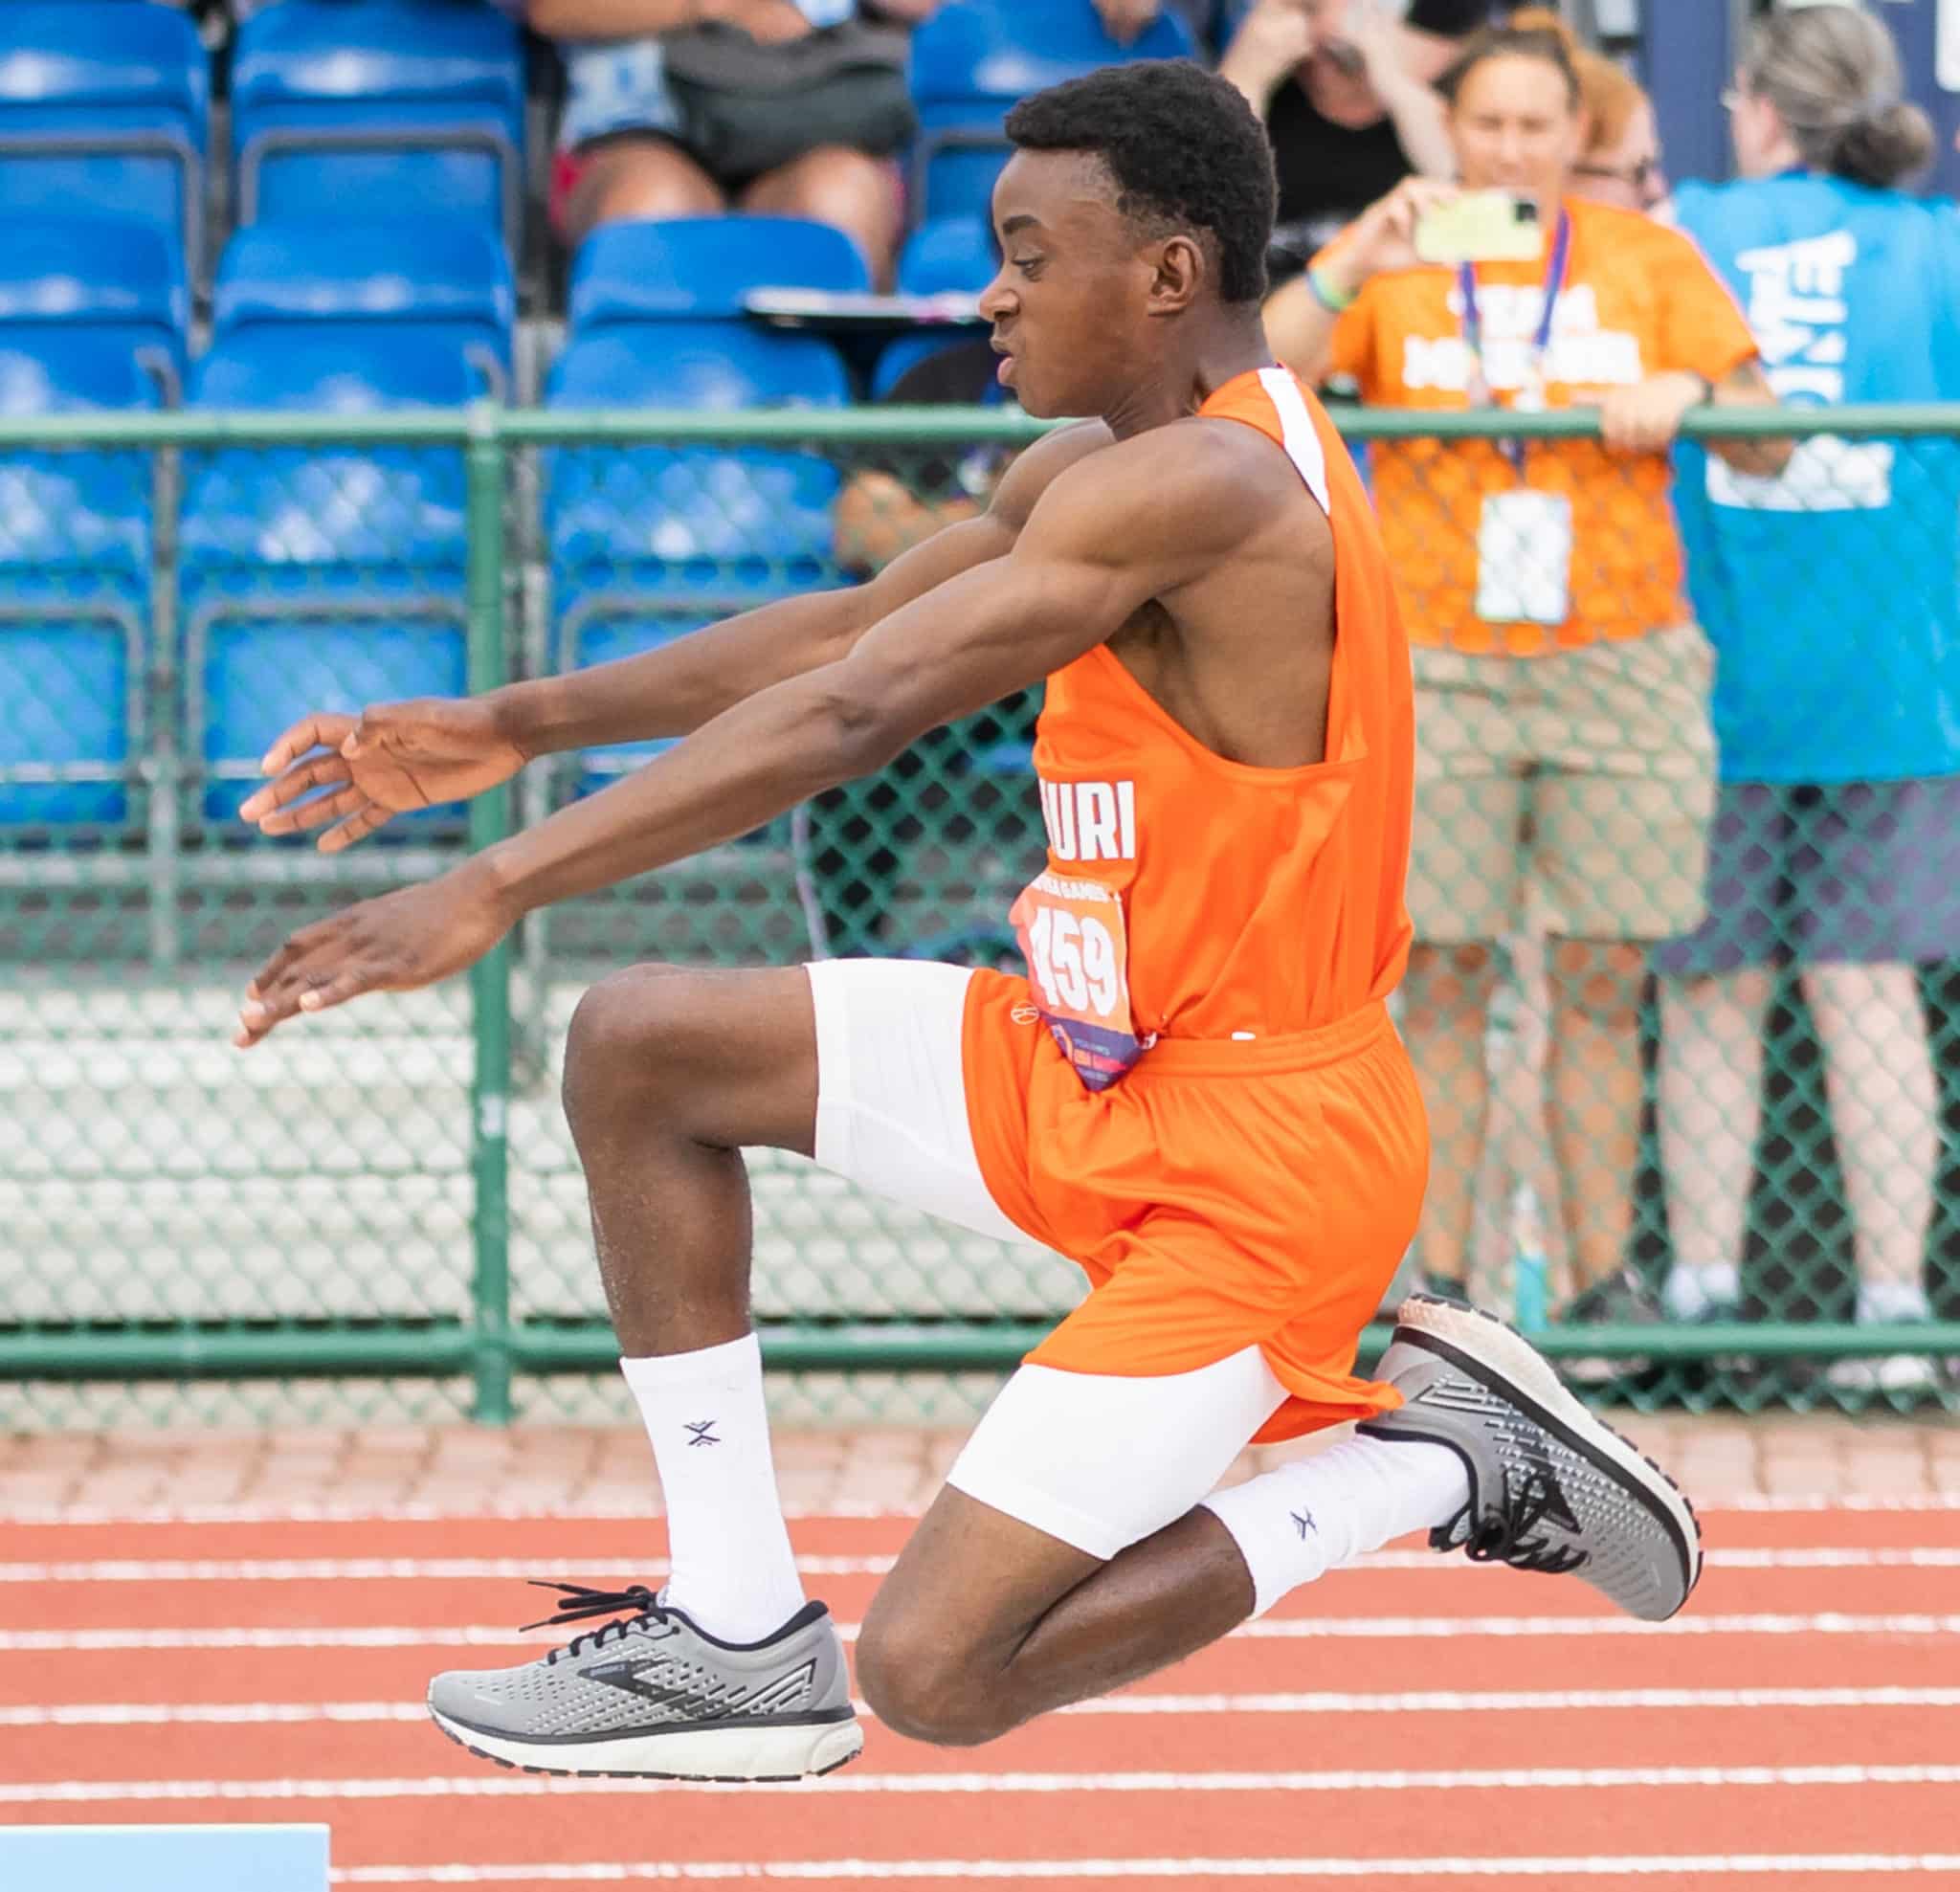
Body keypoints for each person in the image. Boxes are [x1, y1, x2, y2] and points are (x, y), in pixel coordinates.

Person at [234, 60, 1701, 1778]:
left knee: (938, 1671)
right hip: (1087, 1063)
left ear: (1162, 276)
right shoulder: (1106, 458)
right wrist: (506, 726)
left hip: (1258, 1156)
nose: (985, 294)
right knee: (641, 1046)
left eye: (1024, 252)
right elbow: (846, 628)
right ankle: (730, 1633)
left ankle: (1440, 1463)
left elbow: (860, 715)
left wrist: (493, 879)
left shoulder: (1211, 493)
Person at [1262, 13, 1790, 1339]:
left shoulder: (1642, 257)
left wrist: (1692, 389)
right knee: (1438, 978)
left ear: (1577, 138)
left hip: (1621, 662)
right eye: (1486, 124)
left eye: (1534, 127)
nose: (1509, 148)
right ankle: (1446, 1295)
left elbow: (1773, 437)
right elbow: (1263, 381)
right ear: (1454, 131)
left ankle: (1604, 1286)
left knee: (1604, 983)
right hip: (1439, 663)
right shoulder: (1405, 250)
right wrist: (1356, 257)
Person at [1652, 2, 1960, 1393]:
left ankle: (1701, 1299)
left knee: (1711, 988)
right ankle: (1892, 1314)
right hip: (1897, 676)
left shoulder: (1689, 230)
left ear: (1762, 107)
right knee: (1867, 988)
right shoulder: (1938, 247)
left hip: (1708, 672)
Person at [802, 335, 1037, 959]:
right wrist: (1003, 520)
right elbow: (859, 527)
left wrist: (939, 527)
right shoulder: (947, 378)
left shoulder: (1118, 391)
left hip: (1089, 655)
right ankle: (849, 961)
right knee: (844, 731)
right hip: (958, 651)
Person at [524, 0, 924, 283]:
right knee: (649, 206)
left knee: (840, 203)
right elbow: (549, 9)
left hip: (816, 118)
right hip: (638, 124)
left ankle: (833, 391)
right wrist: (709, 5)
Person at [1218, 0, 1484, 277]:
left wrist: (1393, 83)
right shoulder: (1265, 93)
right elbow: (1209, 205)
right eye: (1308, 10)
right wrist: (1245, 79)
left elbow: (1466, 188)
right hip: (1267, 301)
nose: (1334, 28)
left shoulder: (1437, 114)